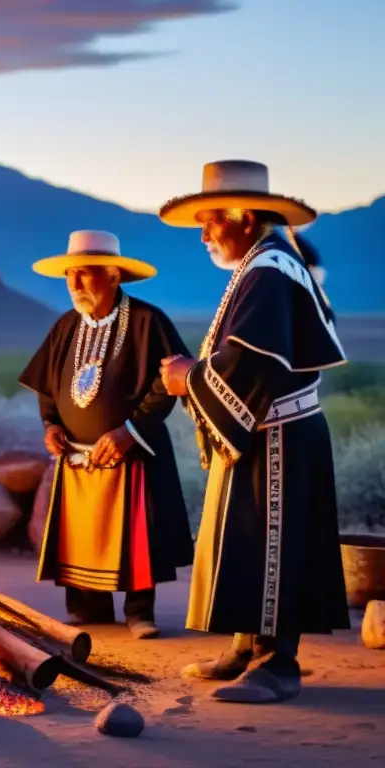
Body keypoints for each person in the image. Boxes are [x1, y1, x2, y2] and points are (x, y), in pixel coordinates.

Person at [158, 160, 349, 703]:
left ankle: (276, 664)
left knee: (274, 543)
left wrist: (185, 378)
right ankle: (246, 646)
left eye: (210, 220)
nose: (203, 234)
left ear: (242, 215)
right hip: (267, 432)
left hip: (280, 438)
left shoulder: (268, 269)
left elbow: (250, 364)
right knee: (247, 538)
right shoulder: (262, 264)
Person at [18, 231, 194, 639]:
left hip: (131, 449)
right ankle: (87, 609)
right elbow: (48, 386)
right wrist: (51, 425)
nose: (75, 284)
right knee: (81, 534)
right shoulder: (65, 325)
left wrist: (130, 430)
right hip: (76, 456)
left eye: (86, 275)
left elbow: (170, 382)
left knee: (136, 534)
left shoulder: (149, 321)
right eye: (71, 275)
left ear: (114, 275)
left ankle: (139, 613)